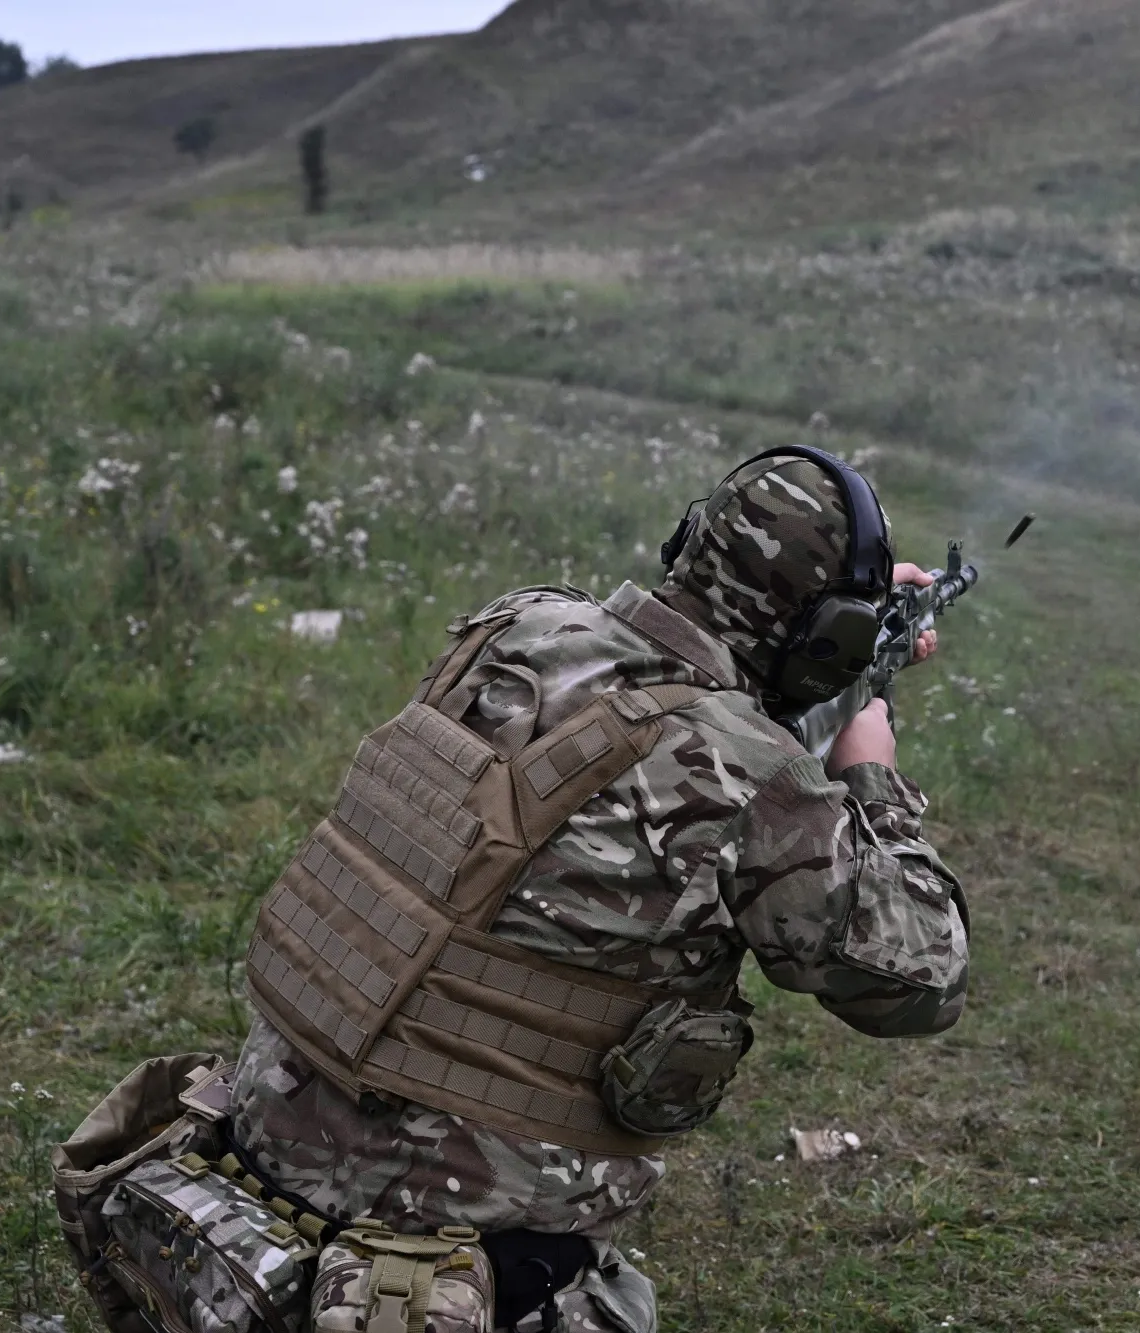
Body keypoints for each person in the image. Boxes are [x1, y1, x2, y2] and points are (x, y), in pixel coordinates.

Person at [228, 446, 969, 1332]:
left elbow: (671, 715)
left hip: (261, 1156)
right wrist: (870, 777)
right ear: (827, 639)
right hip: (449, 1253)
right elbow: (921, 981)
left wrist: (830, 662)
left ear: (690, 542)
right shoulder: (755, 775)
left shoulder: (516, 624)